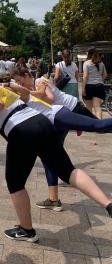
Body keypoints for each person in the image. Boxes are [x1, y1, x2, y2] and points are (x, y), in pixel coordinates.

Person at [0, 75, 112, 242]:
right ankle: (108, 204)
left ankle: (26, 230)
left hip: (22, 131)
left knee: (15, 183)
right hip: (41, 122)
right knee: (67, 171)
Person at [11, 67, 112, 211]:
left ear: (27, 75)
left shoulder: (40, 81)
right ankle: (53, 199)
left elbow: (49, 98)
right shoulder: (26, 90)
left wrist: (25, 92)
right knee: (49, 157)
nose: (20, 84)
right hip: (57, 118)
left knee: (98, 126)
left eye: (20, 81)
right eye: (17, 83)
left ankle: (53, 199)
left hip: (67, 110)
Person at [82, 48, 107, 118]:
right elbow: (105, 74)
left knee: (88, 108)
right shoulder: (101, 63)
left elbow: (85, 77)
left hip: (89, 86)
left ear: (89, 54)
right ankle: (99, 126)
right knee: (97, 107)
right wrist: (99, 80)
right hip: (99, 86)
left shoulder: (86, 63)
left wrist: (83, 88)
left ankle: (90, 126)